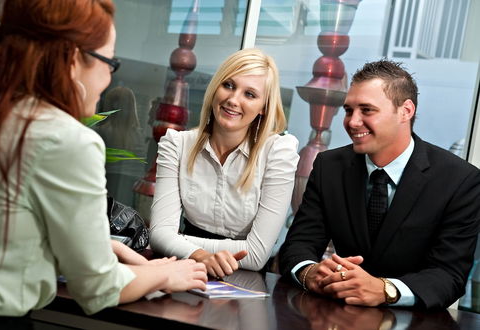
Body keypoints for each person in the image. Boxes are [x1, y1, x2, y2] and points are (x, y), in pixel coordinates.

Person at [0, 0, 207, 318]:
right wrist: (167, 273)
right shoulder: (64, 138)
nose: (108, 80)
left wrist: (103, 245)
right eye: (109, 64)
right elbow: (98, 288)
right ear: (73, 60)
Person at [279, 59, 480, 309]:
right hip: (333, 314)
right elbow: (298, 245)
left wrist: (385, 289)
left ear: (406, 111)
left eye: (367, 110)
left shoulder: (459, 180)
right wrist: (311, 273)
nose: (352, 122)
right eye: (349, 110)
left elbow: (449, 275)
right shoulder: (328, 166)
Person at [150, 48, 299, 278]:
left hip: (244, 282)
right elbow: (159, 234)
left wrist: (176, 241)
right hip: (186, 269)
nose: (233, 100)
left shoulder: (278, 152)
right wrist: (199, 256)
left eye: (250, 94)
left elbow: (257, 254)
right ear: (215, 88)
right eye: (228, 85)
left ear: (264, 108)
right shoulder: (176, 145)